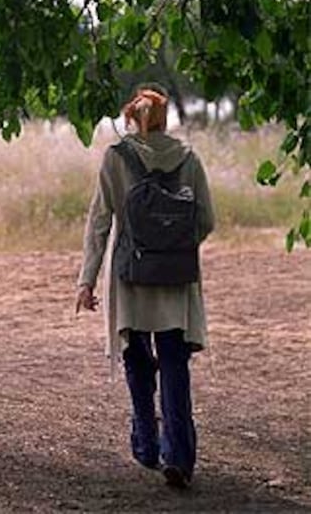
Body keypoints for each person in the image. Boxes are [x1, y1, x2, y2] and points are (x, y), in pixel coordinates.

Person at [75, 82, 215, 489]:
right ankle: (180, 457)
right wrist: (171, 246)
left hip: (130, 277)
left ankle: (147, 447)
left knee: (138, 363)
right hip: (174, 279)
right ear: (164, 119)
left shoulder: (115, 158)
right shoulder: (189, 158)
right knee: (174, 363)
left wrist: (86, 281)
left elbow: (99, 222)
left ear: (130, 120)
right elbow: (205, 219)